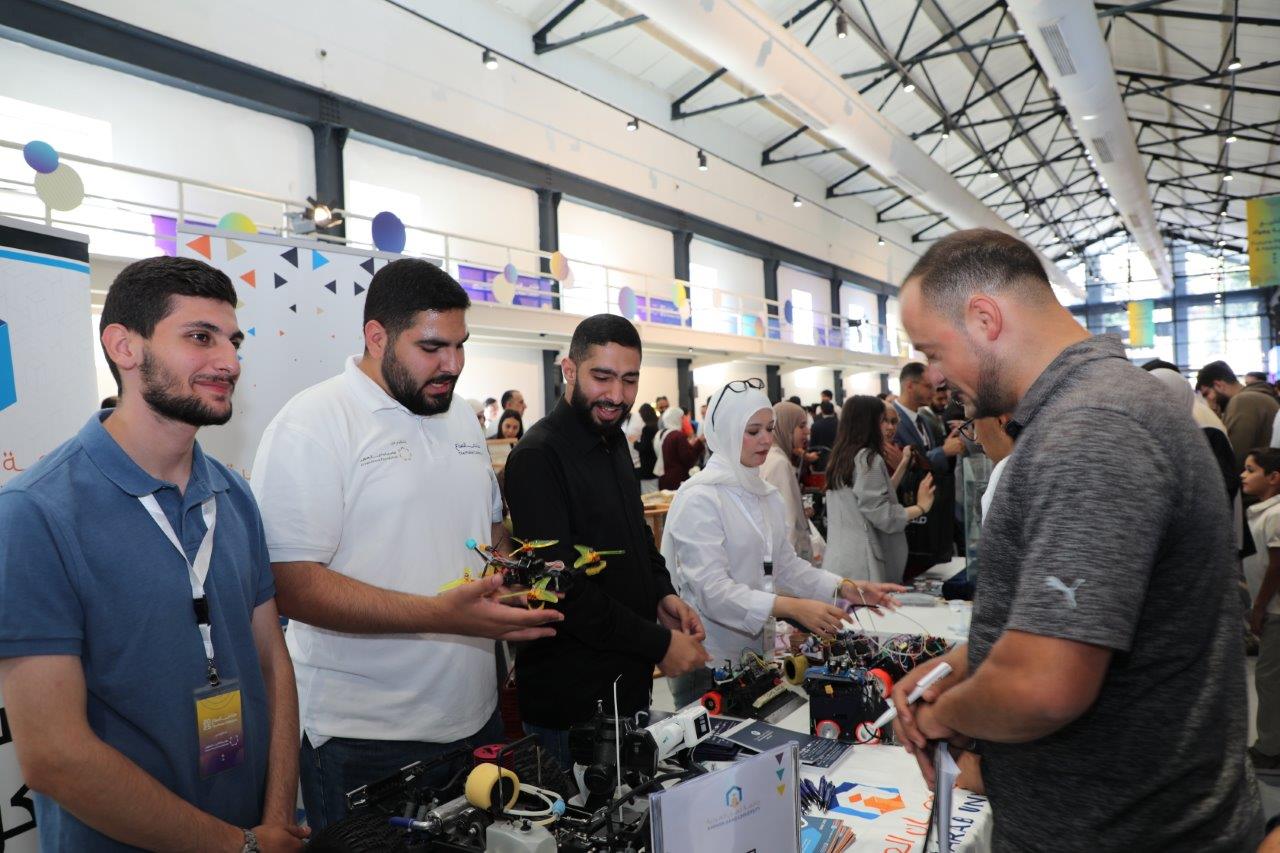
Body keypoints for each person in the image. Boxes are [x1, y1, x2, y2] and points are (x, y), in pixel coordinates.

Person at [891, 227, 1262, 850]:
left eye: (933, 351)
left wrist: (942, 713)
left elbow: (1045, 685)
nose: (935, 377)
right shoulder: (1099, 409)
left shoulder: (1090, 428)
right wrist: (964, 663)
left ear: (984, 319)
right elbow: (1101, 615)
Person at [0, 256, 306, 851]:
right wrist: (238, 846)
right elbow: (54, 755)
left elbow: (273, 662)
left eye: (234, 341)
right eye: (201, 337)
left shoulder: (232, 494)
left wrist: (274, 821)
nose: (230, 362)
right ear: (124, 347)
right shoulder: (35, 513)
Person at [249, 258, 562, 831]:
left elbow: (489, 533)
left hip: (476, 721)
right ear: (377, 337)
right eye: (432, 347)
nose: (454, 365)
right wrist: (442, 615)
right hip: (366, 739)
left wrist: (518, 574)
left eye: (461, 346)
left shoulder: (459, 417)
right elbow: (289, 585)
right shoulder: (312, 424)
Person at [503, 314, 709, 767]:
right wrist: (659, 644)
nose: (617, 395)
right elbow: (560, 589)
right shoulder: (538, 457)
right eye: (602, 377)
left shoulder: (612, 440)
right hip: (572, 711)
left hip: (625, 690)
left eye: (629, 380)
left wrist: (662, 594)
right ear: (569, 370)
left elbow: (635, 533)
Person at [660, 380, 903, 707]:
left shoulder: (764, 494)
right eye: (753, 431)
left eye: (770, 429)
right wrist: (790, 607)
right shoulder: (700, 497)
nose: (765, 439)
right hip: (706, 659)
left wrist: (846, 587)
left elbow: (786, 566)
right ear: (727, 432)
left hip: (754, 655)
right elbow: (711, 590)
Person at [824, 396, 936, 583]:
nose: (889, 427)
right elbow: (883, 515)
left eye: (893, 421)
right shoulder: (868, 458)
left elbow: (871, 495)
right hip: (864, 564)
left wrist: (903, 464)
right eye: (883, 420)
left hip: (840, 559)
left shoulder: (841, 456)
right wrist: (921, 507)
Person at [1241, 448, 1280, 771]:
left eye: (1251, 469)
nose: (1243, 475)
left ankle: (1270, 749)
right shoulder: (1262, 512)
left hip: (1276, 610)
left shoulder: (1276, 514)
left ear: (1273, 477)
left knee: (1269, 679)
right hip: (1272, 609)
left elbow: (1277, 566)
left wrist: (1258, 606)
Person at [1197, 360, 1280, 469]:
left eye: (1206, 394)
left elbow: (1234, 456)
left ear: (1219, 385)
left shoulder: (1243, 400)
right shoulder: (1258, 397)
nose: (1208, 401)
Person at [760, 401, 815, 562]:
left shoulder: (769, 457)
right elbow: (787, 524)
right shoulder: (779, 463)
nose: (807, 431)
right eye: (801, 426)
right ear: (786, 427)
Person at [659, 405, 704, 490]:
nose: (684, 421)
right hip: (677, 478)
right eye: (682, 418)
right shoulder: (678, 435)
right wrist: (699, 442)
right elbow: (688, 458)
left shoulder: (664, 433)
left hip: (666, 476)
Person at [634, 402, 660, 493]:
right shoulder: (657, 425)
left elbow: (644, 447)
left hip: (648, 466)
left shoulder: (647, 429)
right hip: (656, 464)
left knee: (649, 494)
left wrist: (635, 443)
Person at [809, 400, 838, 471]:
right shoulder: (841, 424)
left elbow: (812, 446)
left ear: (822, 410)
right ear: (833, 410)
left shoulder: (816, 425)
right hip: (838, 460)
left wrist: (812, 462)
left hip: (821, 462)